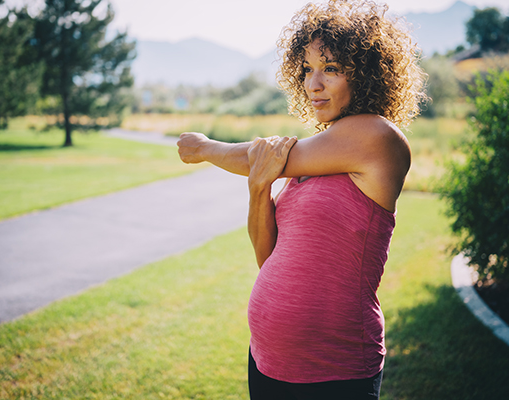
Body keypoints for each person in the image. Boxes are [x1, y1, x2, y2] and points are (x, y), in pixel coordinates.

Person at [177, 0, 426, 398]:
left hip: (334, 371)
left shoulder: (379, 138)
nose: (314, 83)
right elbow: (267, 256)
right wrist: (259, 188)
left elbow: (255, 155)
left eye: (330, 68)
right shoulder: (317, 156)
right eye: (307, 69)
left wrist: (205, 147)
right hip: (267, 360)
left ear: (365, 74)